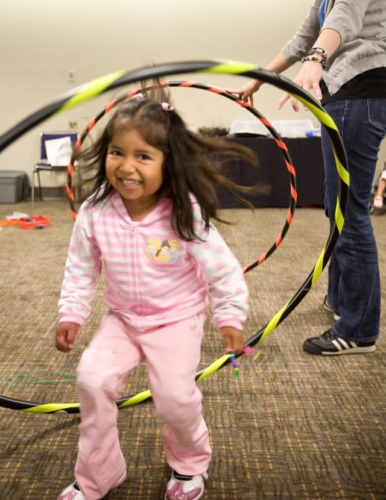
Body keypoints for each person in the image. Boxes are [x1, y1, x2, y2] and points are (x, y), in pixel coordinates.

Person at [55, 90, 255, 500]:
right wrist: (71, 313)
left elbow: (222, 268)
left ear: (169, 164)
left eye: (143, 156)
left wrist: (230, 316)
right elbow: (80, 267)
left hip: (177, 319)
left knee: (174, 399)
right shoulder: (95, 210)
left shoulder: (184, 211)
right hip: (123, 320)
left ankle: (189, 464)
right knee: (91, 380)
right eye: (116, 152)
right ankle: (99, 474)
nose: (126, 167)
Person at [228, 0, 386, 355]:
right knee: (337, 207)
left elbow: (343, 20)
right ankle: (342, 299)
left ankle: (359, 330)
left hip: (360, 94)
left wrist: (316, 61)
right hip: (344, 96)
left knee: (349, 212)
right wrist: (261, 78)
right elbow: (304, 36)